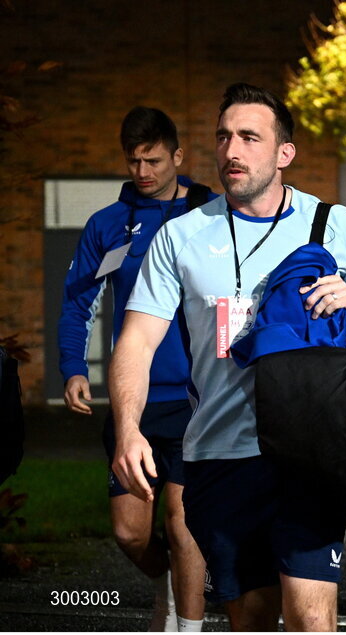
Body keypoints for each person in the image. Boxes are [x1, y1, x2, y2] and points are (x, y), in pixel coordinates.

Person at [108, 83, 346, 632]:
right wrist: (129, 428)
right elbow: (136, 340)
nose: (232, 150)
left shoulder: (334, 225)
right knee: (250, 617)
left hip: (309, 453)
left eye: (250, 137)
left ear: (284, 153)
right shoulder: (181, 236)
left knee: (309, 615)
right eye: (224, 136)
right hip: (219, 456)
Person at [58, 106, 215, 632]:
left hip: (197, 400)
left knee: (183, 521)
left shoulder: (211, 214)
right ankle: (168, 581)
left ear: (177, 155)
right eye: (134, 161)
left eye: (152, 160)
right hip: (135, 402)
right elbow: (77, 302)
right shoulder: (108, 225)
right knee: (131, 533)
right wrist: (73, 366)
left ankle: (187, 622)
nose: (143, 171)